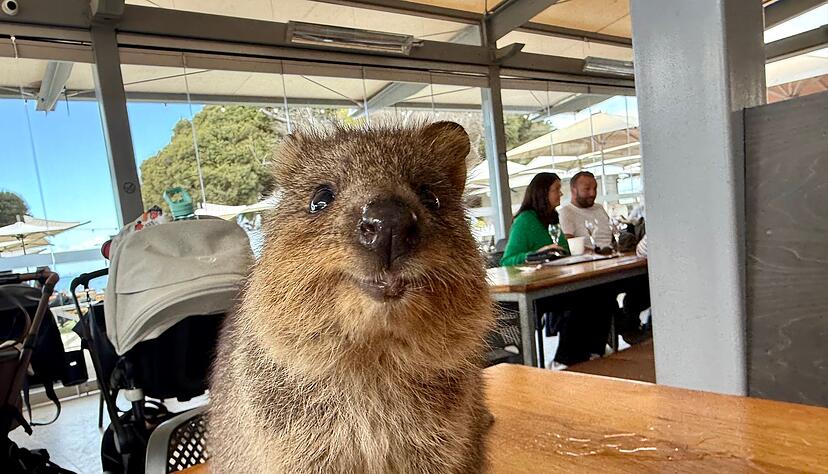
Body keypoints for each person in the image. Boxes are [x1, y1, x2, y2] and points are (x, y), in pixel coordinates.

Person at [500, 173, 569, 267]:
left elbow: (564, 250)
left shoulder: (552, 216)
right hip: (539, 279)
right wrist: (537, 255)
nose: (561, 193)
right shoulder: (524, 221)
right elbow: (507, 261)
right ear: (543, 193)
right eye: (556, 189)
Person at [559, 171, 612, 249]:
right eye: (587, 189)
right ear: (574, 190)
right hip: (590, 257)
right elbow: (570, 246)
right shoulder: (566, 212)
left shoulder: (599, 208)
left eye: (595, 188)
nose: (592, 193)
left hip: (611, 253)